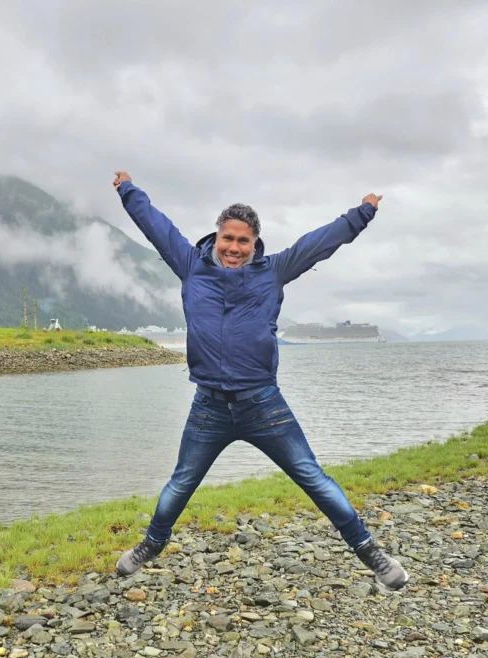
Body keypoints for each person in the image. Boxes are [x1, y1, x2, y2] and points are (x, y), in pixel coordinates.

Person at [112, 171, 408, 590]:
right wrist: (128, 190)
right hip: (210, 407)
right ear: (217, 237)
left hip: (263, 405)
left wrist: (362, 214)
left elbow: (319, 243)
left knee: (312, 477)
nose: (234, 248)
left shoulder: (273, 272)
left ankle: (371, 553)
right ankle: (151, 546)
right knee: (180, 483)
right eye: (228, 238)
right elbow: (156, 226)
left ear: (255, 243)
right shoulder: (190, 266)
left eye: (243, 240)